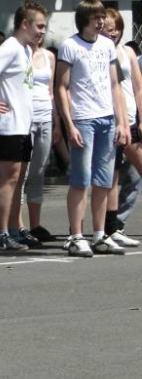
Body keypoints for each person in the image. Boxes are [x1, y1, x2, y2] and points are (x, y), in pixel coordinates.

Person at [55, 0, 129, 257]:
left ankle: (99, 235)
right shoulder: (70, 46)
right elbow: (61, 86)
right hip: (83, 119)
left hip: (106, 119)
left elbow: (115, 85)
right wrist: (70, 124)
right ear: (84, 19)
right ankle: (76, 236)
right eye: (96, 18)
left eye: (102, 17)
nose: (101, 22)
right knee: (81, 180)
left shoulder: (107, 45)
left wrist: (121, 122)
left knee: (104, 180)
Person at [0, 2, 48, 252]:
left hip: (21, 125)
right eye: (39, 26)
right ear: (25, 24)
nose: (42, 32)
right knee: (9, 178)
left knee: (18, 180)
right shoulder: (11, 47)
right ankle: (0, 235)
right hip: (6, 126)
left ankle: (15, 230)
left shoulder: (25, 49)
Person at [99, 8, 141, 247]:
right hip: (111, 122)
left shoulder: (128, 52)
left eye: (117, 29)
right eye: (109, 29)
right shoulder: (99, 53)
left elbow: (138, 88)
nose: (113, 33)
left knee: (134, 173)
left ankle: (114, 226)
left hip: (131, 121)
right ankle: (110, 227)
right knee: (111, 177)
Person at [17, 36, 61, 245]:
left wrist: (57, 122)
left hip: (45, 118)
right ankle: (18, 227)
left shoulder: (49, 56)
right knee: (21, 174)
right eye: (37, 27)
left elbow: (51, 92)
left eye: (43, 28)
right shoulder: (18, 54)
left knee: (38, 172)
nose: (40, 33)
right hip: (24, 119)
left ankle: (35, 225)